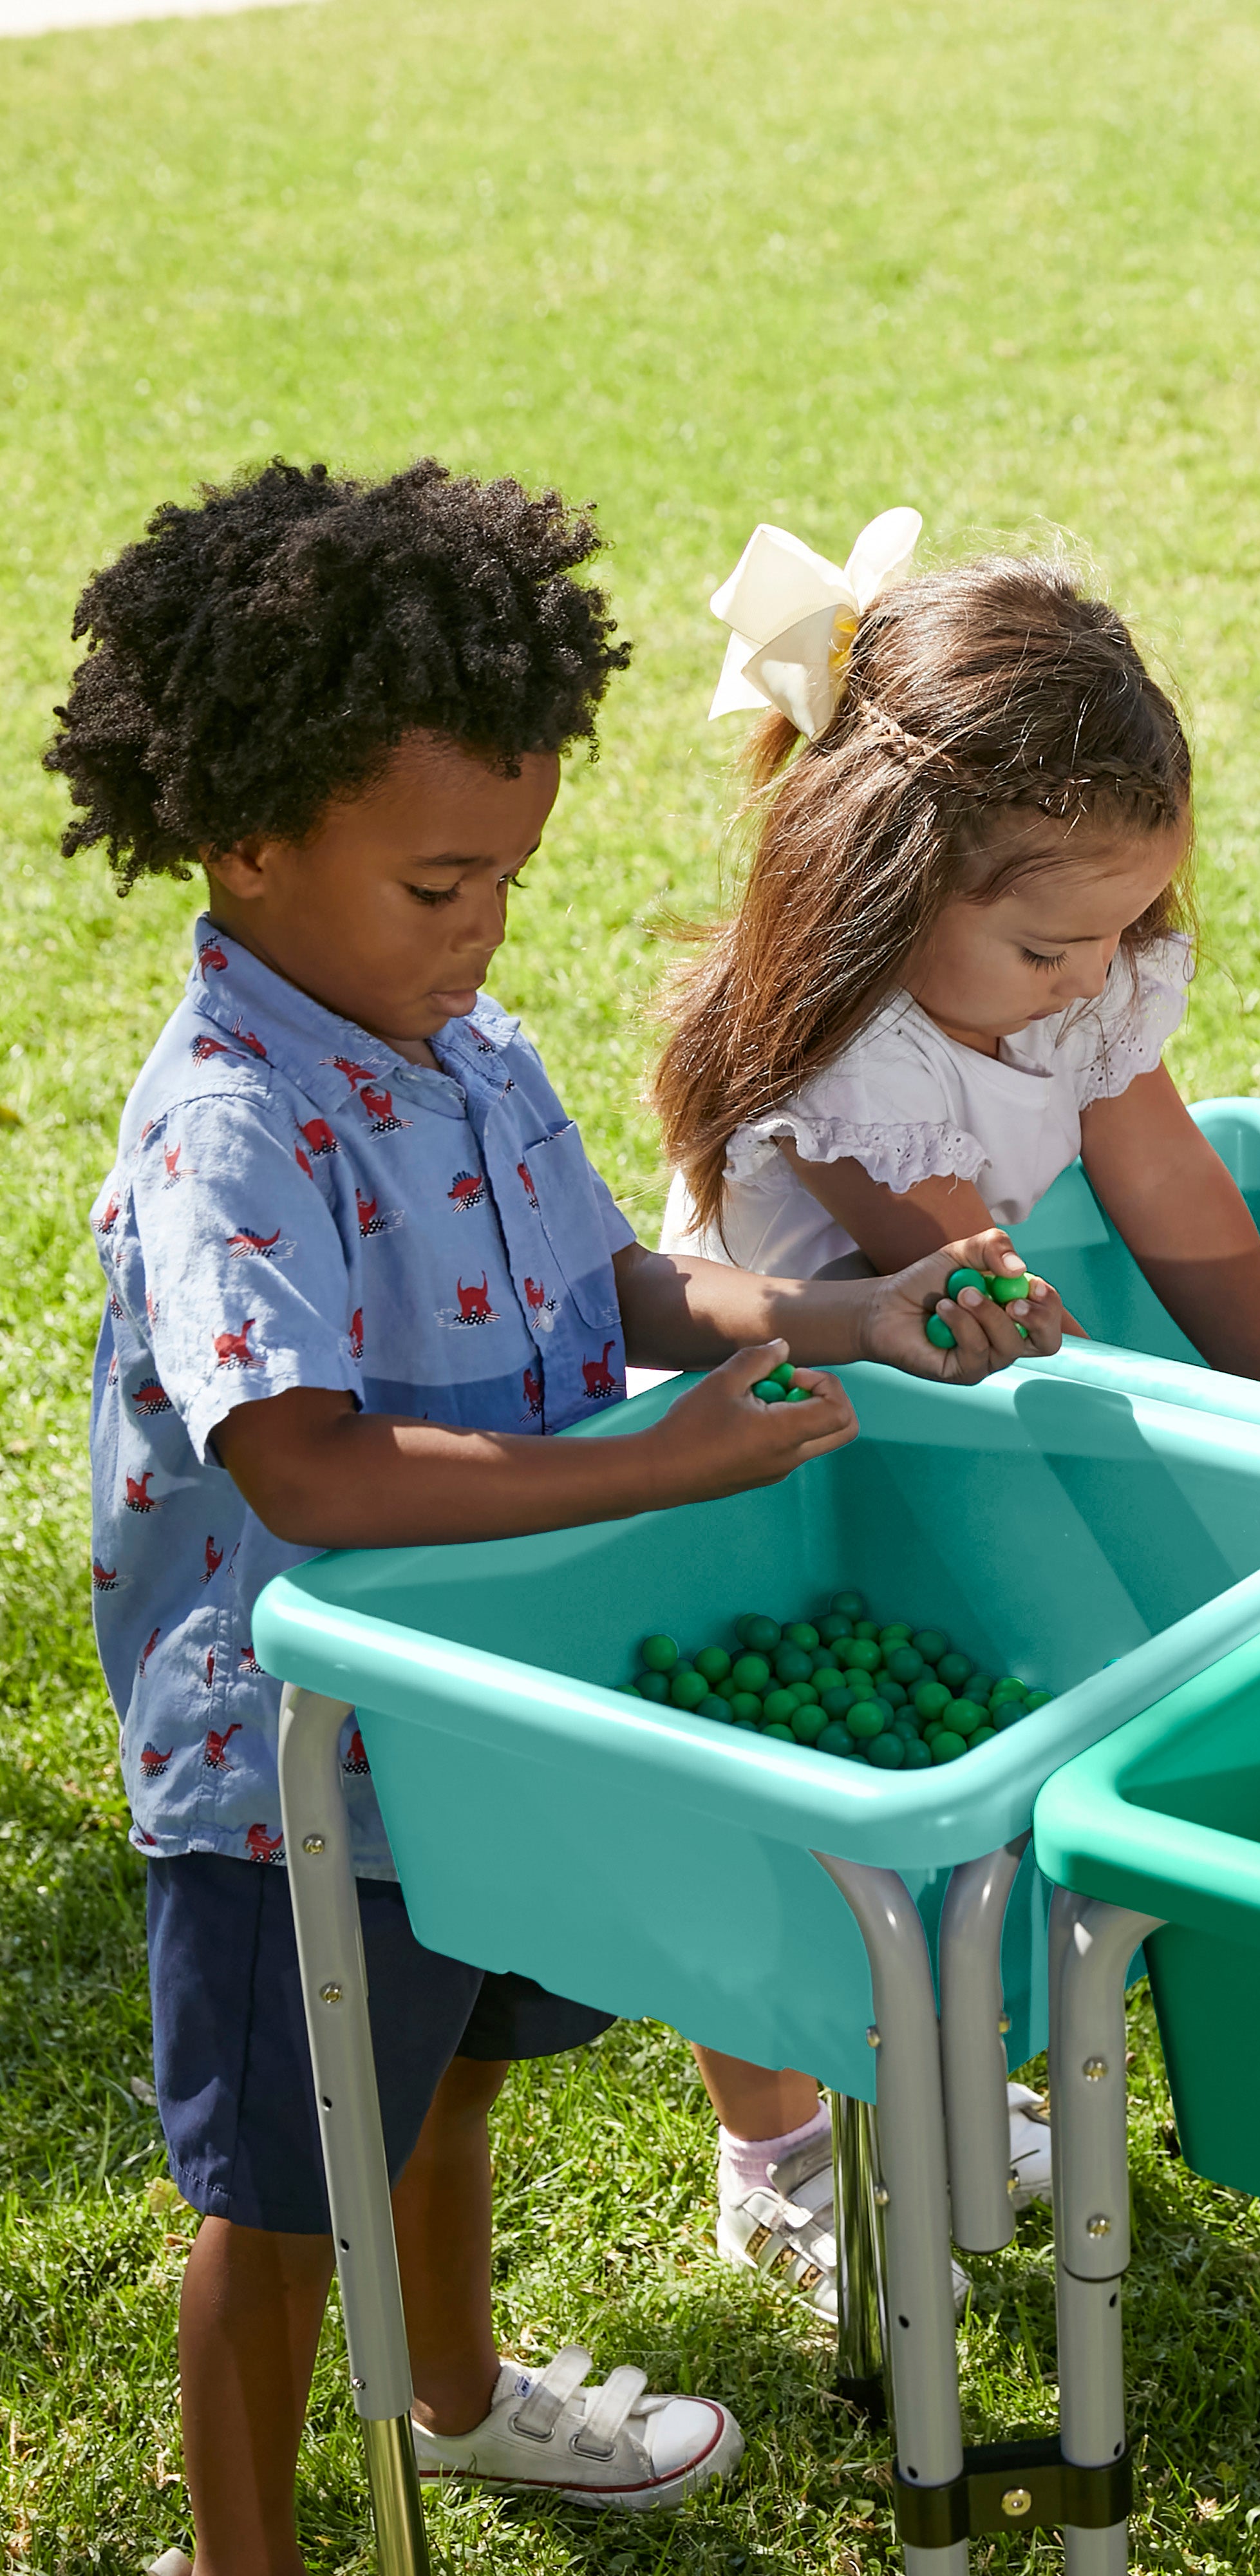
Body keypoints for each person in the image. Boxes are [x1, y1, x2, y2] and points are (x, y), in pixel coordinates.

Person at [53, 460, 1058, 2574]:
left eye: (505, 875)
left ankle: (455, 2400)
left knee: (448, 2082)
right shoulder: (230, 1124)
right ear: (245, 846)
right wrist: (646, 1465)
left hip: (469, 1729)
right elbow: (305, 1466)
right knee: (279, 2196)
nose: (485, 927)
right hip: (286, 1773)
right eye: (440, 884)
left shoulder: (464, 1038)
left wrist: (840, 1308)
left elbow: (609, 1284)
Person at [648, 517, 1260, 2318]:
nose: (1096, 977)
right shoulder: (837, 1058)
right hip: (798, 1431)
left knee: (958, 1747)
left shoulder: (1073, 981)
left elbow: (1172, 1186)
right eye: (1057, 941)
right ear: (891, 883)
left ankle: (932, 2073)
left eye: (1126, 932)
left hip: (954, 1413)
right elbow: (955, 1270)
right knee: (798, 1801)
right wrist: (1160, 1419)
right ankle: (778, 2147)